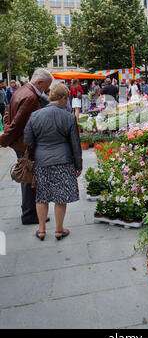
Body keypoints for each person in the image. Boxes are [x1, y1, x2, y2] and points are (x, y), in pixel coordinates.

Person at [24, 83, 82, 241]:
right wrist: (79, 165)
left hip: (42, 161)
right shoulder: (69, 117)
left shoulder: (35, 115)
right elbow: (75, 144)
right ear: (63, 98)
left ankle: (41, 230)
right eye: (67, 99)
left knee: (41, 196)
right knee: (60, 197)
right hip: (63, 161)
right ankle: (59, 229)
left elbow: (27, 140)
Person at [0, 68, 53, 225]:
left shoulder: (22, 90)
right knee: (30, 179)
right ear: (39, 82)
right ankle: (30, 214)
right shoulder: (30, 97)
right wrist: (4, 140)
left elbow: (8, 115)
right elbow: (17, 123)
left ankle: (30, 212)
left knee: (28, 177)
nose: (46, 90)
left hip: (21, 143)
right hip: (26, 144)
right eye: (46, 86)